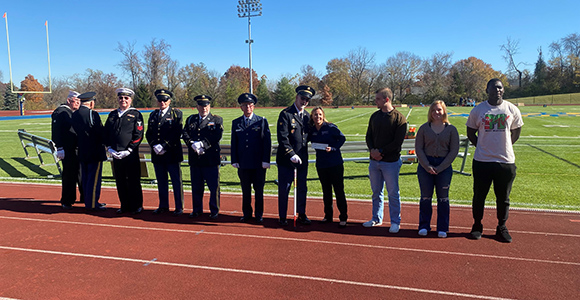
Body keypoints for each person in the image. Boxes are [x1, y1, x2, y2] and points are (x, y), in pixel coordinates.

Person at [466, 78, 523, 243]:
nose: (497, 90)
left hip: (505, 162)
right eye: (494, 87)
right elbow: (471, 133)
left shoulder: (511, 109)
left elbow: (516, 131)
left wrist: (505, 146)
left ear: (503, 90)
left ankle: (501, 227)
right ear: (487, 90)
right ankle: (477, 225)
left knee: (503, 198)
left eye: (500, 88)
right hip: (482, 161)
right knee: (479, 196)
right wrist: (482, 146)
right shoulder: (478, 110)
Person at [365, 87, 407, 233]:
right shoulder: (374, 117)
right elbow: (368, 136)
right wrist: (372, 151)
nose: (375, 101)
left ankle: (395, 221)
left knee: (393, 192)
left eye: (377, 99)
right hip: (374, 161)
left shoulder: (399, 118)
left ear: (386, 99)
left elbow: (397, 142)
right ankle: (376, 218)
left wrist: (381, 152)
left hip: (391, 162)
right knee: (376, 191)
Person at [415, 100, 460, 238]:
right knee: (425, 197)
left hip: (444, 166)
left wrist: (440, 167)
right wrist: (427, 166)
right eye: (434, 110)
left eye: (439, 110)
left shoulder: (451, 129)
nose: (436, 112)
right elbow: (419, 148)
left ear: (444, 111)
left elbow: (453, 151)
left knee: (443, 199)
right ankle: (424, 225)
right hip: (425, 165)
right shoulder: (424, 128)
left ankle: (442, 227)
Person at [276, 85, 314, 226]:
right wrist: (291, 153)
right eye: (302, 98)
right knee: (284, 188)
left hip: (302, 159)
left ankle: (301, 214)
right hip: (287, 160)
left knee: (302, 188)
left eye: (307, 100)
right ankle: (282, 216)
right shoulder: (286, 114)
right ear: (297, 97)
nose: (304, 102)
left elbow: (309, 136)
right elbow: (283, 137)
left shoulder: (307, 116)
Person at [231, 93, 272, 224]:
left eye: (249, 105)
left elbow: (267, 142)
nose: (247, 107)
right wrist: (234, 160)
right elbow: (234, 142)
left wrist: (266, 160)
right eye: (244, 105)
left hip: (258, 163)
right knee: (245, 191)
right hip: (243, 163)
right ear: (241, 108)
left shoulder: (261, 121)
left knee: (259, 190)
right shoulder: (236, 122)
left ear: (253, 107)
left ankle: (259, 214)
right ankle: (247, 214)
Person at [182, 95, 223, 219]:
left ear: (209, 106)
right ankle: (197, 209)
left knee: (214, 187)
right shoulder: (191, 119)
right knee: (196, 187)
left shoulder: (216, 120)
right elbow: (184, 133)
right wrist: (191, 144)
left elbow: (217, 136)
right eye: (201, 106)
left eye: (206, 105)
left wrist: (203, 144)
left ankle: (214, 210)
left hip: (210, 159)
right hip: (196, 159)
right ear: (197, 107)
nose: (203, 108)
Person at [104, 88, 144, 214]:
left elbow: (138, 134)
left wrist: (129, 150)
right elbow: (106, 133)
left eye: (126, 98)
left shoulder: (136, 114)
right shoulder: (113, 115)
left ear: (130, 100)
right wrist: (109, 147)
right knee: (120, 181)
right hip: (116, 154)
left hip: (130, 155)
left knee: (133, 180)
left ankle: (137, 205)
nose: (123, 100)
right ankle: (124, 205)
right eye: (121, 98)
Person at [146, 89, 184, 216]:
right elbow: (149, 133)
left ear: (169, 100)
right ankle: (163, 205)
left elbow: (177, 132)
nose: (162, 102)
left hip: (171, 153)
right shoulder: (153, 115)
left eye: (165, 100)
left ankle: (179, 207)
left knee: (176, 181)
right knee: (161, 181)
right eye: (160, 100)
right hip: (157, 154)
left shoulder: (176, 114)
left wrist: (164, 146)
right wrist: (154, 146)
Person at [308, 106, 348, 228]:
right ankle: (328, 216)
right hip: (321, 165)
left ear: (323, 115)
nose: (317, 117)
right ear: (312, 117)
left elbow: (342, 138)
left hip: (335, 164)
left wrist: (334, 148)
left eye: (319, 114)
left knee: (338, 190)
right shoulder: (312, 130)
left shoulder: (330, 127)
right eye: (315, 115)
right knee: (326, 191)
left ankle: (343, 216)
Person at [71, 92, 107, 211]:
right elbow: (99, 132)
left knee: (86, 178)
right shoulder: (92, 114)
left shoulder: (75, 114)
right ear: (91, 103)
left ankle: (88, 200)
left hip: (82, 150)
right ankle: (92, 203)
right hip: (94, 151)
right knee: (94, 179)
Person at [52, 90, 83, 209]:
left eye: (79, 101)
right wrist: (59, 147)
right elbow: (56, 131)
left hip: (76, 148)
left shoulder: (72, 112)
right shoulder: (61, 112)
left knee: (80, 173)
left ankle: (84, 196)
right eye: (76, 101)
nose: (78, 103)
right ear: (69, 100)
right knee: (69, 175)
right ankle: (67, 200)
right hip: (67, 149)